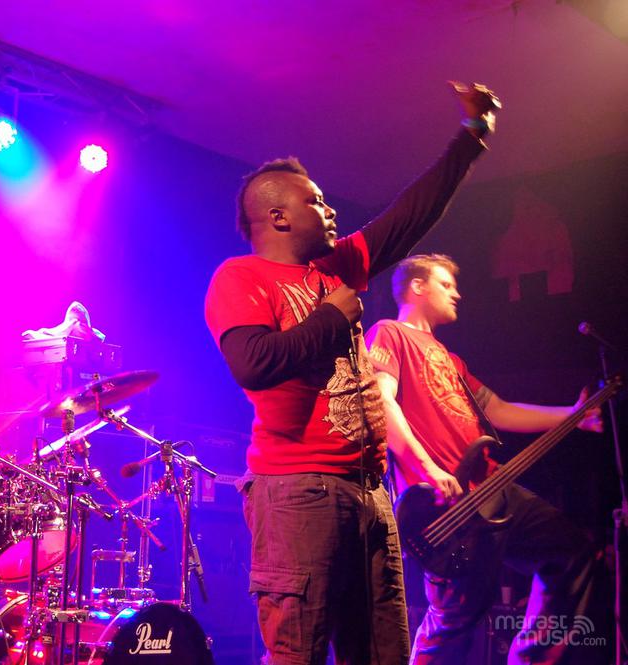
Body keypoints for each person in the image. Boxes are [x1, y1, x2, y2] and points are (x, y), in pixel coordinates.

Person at [204, 82, 500, 665]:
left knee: (382, 653)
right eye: (315, 201)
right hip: (298, 490)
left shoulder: (336, 266)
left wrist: (472, 136)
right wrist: (332, 317)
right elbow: (253, 364)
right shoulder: (241, 277)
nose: (330, 209)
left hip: (369, 488)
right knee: (300, 653)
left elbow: (408, 217)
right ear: (277, 216)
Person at [364, 255, 603, 665]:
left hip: (492, 488)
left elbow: (499, 410)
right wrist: (428, 469)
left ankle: (530, 658)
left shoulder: (452, 359)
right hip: (446, 506)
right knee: (455, 619)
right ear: (417, 287)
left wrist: (573, 416)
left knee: (571, 552)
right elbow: (381, 402)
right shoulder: (389, 333)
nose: (457, 293)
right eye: (446, 284)